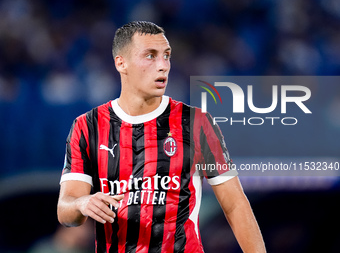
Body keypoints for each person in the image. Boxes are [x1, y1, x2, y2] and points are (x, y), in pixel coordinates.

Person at [57, 21, 266, 253]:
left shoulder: (197, 123)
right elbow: (66, 211)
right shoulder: (87, 126)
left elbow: (235, 204)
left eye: (166, 56)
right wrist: (81, 203)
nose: (163, 65)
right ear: (121, 63)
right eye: (150, 56)